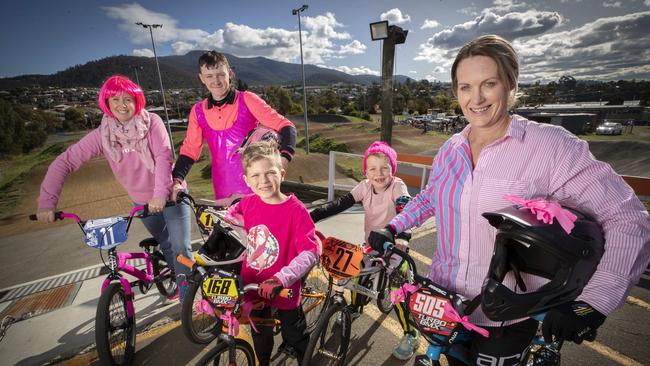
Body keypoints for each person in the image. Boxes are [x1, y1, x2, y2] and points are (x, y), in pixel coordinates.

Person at [368, 35, 650, 365]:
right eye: (465, 87)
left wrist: (594, 301)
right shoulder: (450, 150)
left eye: (489, 84)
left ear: (511, 85)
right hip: (445, 305)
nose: (476, 98)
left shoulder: (551, 146)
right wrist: (393, 227)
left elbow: (629, 219)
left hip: (508, 317)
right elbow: (432, 197)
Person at [36, 75, 193, 301]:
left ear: (136, 101)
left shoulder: (153, 123)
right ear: (106, 103)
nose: (122, 105)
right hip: (142, 204)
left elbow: (163, 157)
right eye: (115, 99)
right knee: (167, 245)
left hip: (170, 196)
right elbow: (65, 162)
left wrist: (160, 195)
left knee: (180, 249)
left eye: (128, 99)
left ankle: (189, 295)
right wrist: (47, 203)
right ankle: (182, 281)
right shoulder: (103, 135)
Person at [310, 141, 420, 360]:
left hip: (394, 244)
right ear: (366, 171)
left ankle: (411, 333)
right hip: (371, 243)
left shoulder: (398, 187)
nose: (378, 174)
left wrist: (403, 237)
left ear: (393, 169)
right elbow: (340, 203)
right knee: (355, 272)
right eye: (372, 169)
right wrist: (311, 216)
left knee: (399, 291)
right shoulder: (364, 186)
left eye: (384, 168)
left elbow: (405, 211)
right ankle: (355, 307)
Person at [227, 140, 319, 365]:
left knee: (295, 336)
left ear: (282, 173)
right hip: (253, 284)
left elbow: (310, 252)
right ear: (247, 181)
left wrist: (281, 278)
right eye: (256, 176)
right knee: (261, 336)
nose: (264, 181)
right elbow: (231, 213)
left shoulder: (296, 211)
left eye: (270, 173)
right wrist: (226, 218)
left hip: (283, 288)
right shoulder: (248, 204)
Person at [171, 50, 297, 206]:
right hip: (222, 189)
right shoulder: (197, 111)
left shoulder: (247, 99)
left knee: (261, 230)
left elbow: (286, 126)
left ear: (229, 73)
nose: (216, 81)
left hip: (258, 186)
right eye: (209, 76)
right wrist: (177, 180)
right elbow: (189, 151)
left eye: (220, 74)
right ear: (201, 78)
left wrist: (284, 159)